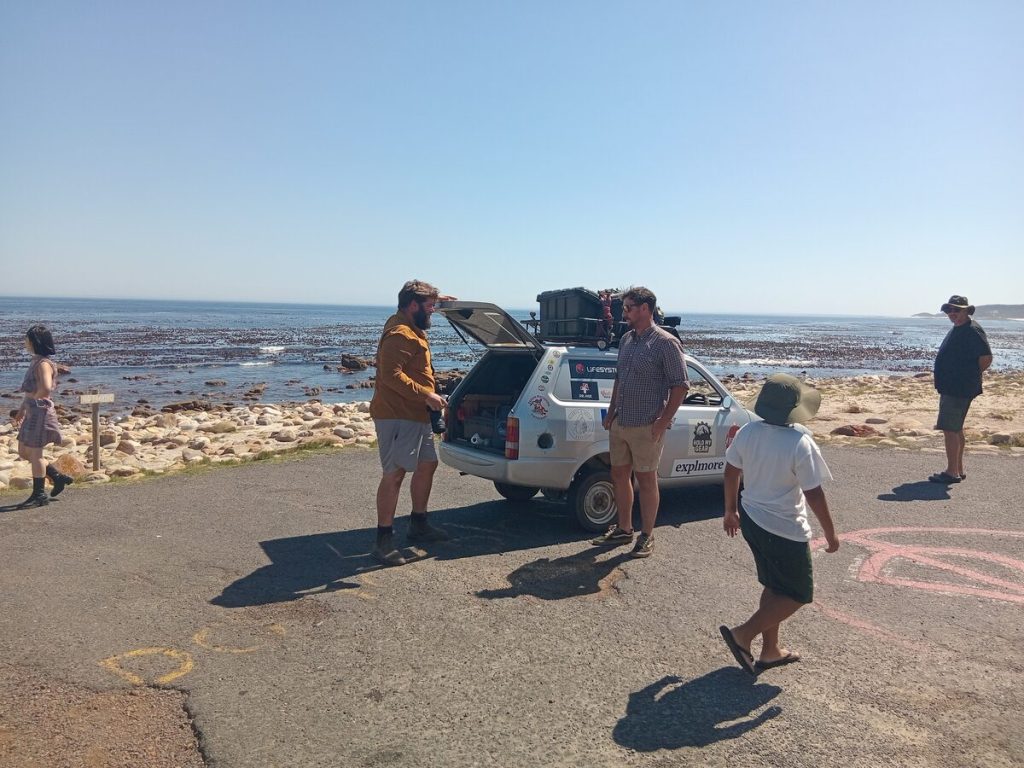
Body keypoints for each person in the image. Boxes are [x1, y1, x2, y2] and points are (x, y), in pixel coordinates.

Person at [719, 373, 840, 675]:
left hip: (752, 519)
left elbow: (731, 471)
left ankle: (770, 650)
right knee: (799, 592)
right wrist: (830, 532)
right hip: (784, 527)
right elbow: (813, 492)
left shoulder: (748, 432)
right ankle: (743, 634)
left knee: (774, 585)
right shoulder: (800, 442)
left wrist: (730, 510)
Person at [591, 287, 689, 558]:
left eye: (629, 308)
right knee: (619, 475)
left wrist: (662, 422)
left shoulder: (665, 343)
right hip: (621, 422)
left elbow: (680, 386)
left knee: (646, 480)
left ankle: (647, 535)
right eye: (624, 308)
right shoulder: (626, 340)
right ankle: (624, 529)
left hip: (647, 425)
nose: (625, 313)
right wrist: (611, 412)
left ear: (645, 309)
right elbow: (620, 379)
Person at [369, 280, 454, 566]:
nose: (433, 311)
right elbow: (390, 376)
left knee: (428, 463)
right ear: (413, 306)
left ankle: (418, 523)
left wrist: (440, 302)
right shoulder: (399, 334)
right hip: (397, 415)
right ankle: (383, 540)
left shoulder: (409, 322)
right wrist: (427, 394)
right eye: (430, 307)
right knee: (394, 474)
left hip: (417, 414)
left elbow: (424, 306)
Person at [930, 295, 993, 484]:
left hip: (958, 389)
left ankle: (951, 472)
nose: (952, 314)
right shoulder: (960, 328)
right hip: (953, 387)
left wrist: (968, 376)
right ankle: (958, 468)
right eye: (949, 310)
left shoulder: (972, 330)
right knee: (955, 429)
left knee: (950, 429)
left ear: (966, 310)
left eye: (957, 310)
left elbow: (986, 358)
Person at [12, 325, 74, 508]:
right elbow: (30, 391)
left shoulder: (44, 364)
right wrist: (22, 410)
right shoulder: (35, 361)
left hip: (40, 412)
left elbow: (46, 388)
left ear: (36, 342)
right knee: (24, 452)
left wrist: (35, 400)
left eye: (28, 339)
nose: (26, 342)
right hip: (32, 411)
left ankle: (39, 495)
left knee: (36, 453)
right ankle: (57, 477)